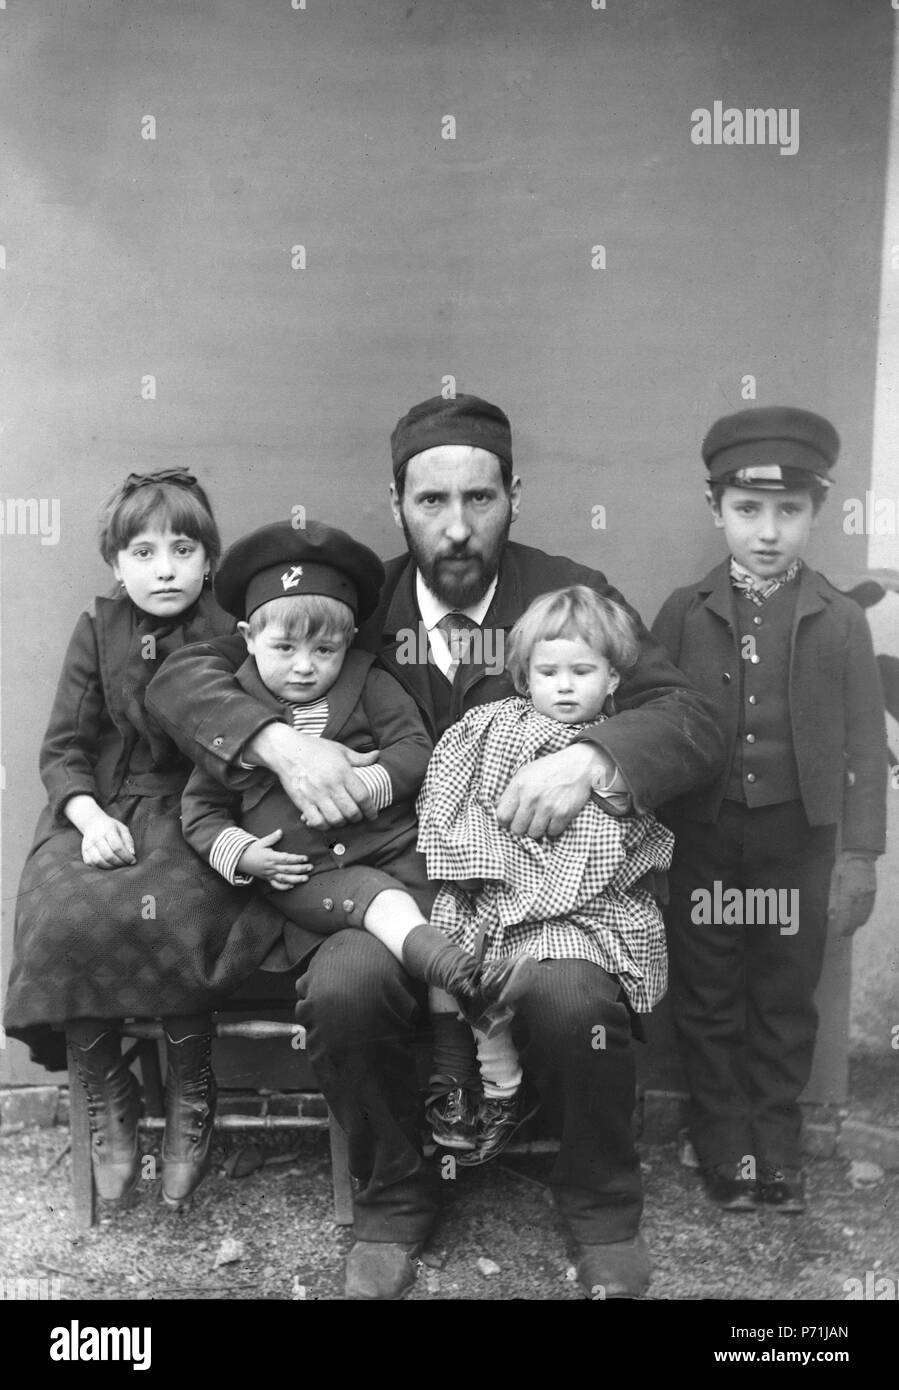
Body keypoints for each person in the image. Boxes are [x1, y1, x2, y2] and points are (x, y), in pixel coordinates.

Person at [146, 392, 724, 1300]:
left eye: (480, 500)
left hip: (539, 889)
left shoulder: (566, 590)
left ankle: (600, 1206)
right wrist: (276, 742)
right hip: (379, 880)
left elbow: (690, 717)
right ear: (396, 505)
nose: (456, 528)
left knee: (572, 993)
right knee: (344, 984)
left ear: (514, 497)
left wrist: (591, 755)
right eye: (430, 502)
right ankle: (393, 1199)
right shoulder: (350, 602)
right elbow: (187, 675)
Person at [3, 470, 287, 1208]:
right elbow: (64, 748)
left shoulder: (231, 633)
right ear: (115, 563)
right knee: (62, 916)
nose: (164, 568)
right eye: (143, 552)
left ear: (207, 559)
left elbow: (245, 738)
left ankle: (192, 1094)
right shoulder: (99, 630)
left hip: (201, 811)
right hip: (106, 811)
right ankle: (111, 1096)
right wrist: (90, 819)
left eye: (183, 549)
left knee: (180, 913)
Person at [651, 407, 887, 1215]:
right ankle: (725, 1145)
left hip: (797, 843)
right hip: (705, 842)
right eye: (747, 511)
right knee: (708, 991)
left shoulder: (840, 619)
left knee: (784, 993)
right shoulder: (684, 613)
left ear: (816, 511)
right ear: (715, 508)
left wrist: (858, 856)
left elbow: (863, 746)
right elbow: (655, 731)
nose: (767, 531)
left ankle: (774, 1145)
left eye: (789, 512)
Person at [181, 517, 518, 1021]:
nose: (304, 666)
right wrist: (245, 854)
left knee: (448, 909)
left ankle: (464, 1061)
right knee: (378, 901)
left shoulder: (368, 682)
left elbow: (414, 747)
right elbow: (201, 811)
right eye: (284, 648)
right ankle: (461, 975)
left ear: (349, 642)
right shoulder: (236, 709)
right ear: (249, 638)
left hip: (396, 845)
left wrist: (368, 783)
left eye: (324, 650)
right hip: (308, 877)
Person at [417, 586, 674, 1167]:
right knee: (448, 950)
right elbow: (449, 801)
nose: (564, 685)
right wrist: (487, 865)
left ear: (611, 680)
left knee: (548, 968)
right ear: (523, 677)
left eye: (582, 671)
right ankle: (477, 1079)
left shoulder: (619, 747)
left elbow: (626, 835)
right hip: (493, 890)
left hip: (583, 907)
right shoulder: (486, 729)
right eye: (548, 671)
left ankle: (532, 1107)